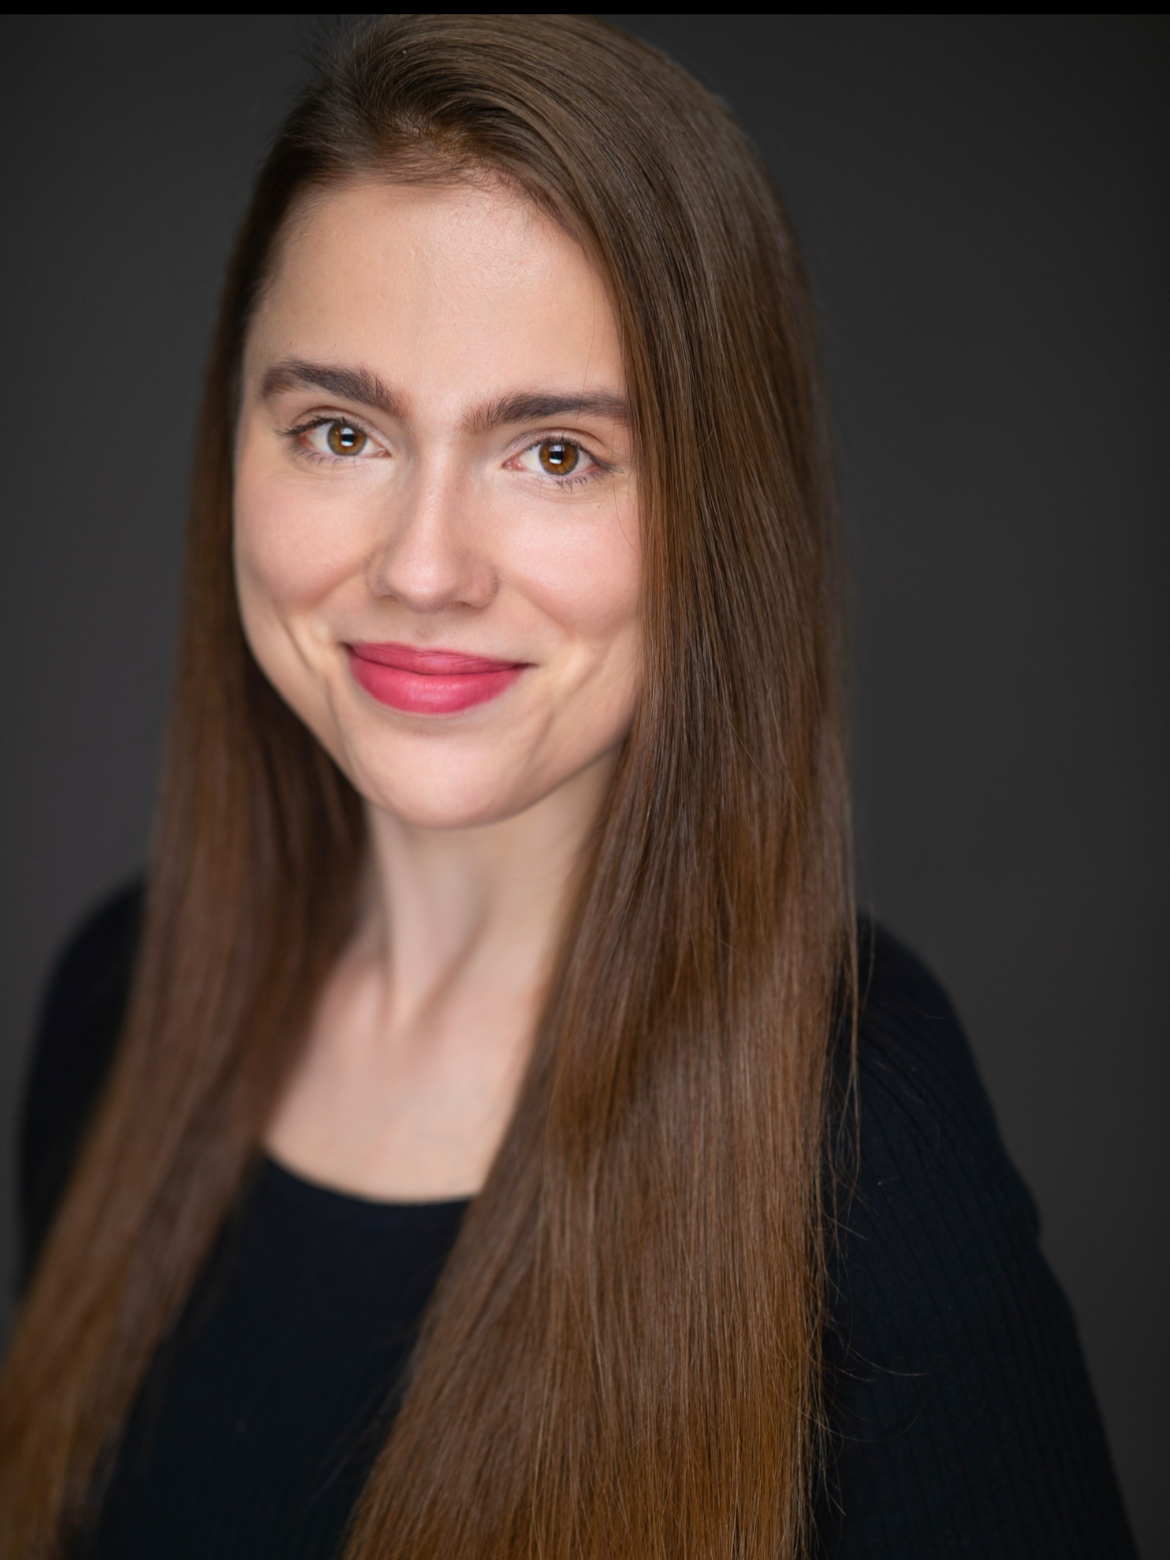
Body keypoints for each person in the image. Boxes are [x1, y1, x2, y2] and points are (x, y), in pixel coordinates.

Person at [0, 15, 1136, 1559]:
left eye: (554, 454)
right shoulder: (115, 1005)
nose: (420, 568)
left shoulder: (861, 1128)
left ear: (718, 508)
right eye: (340, 431)